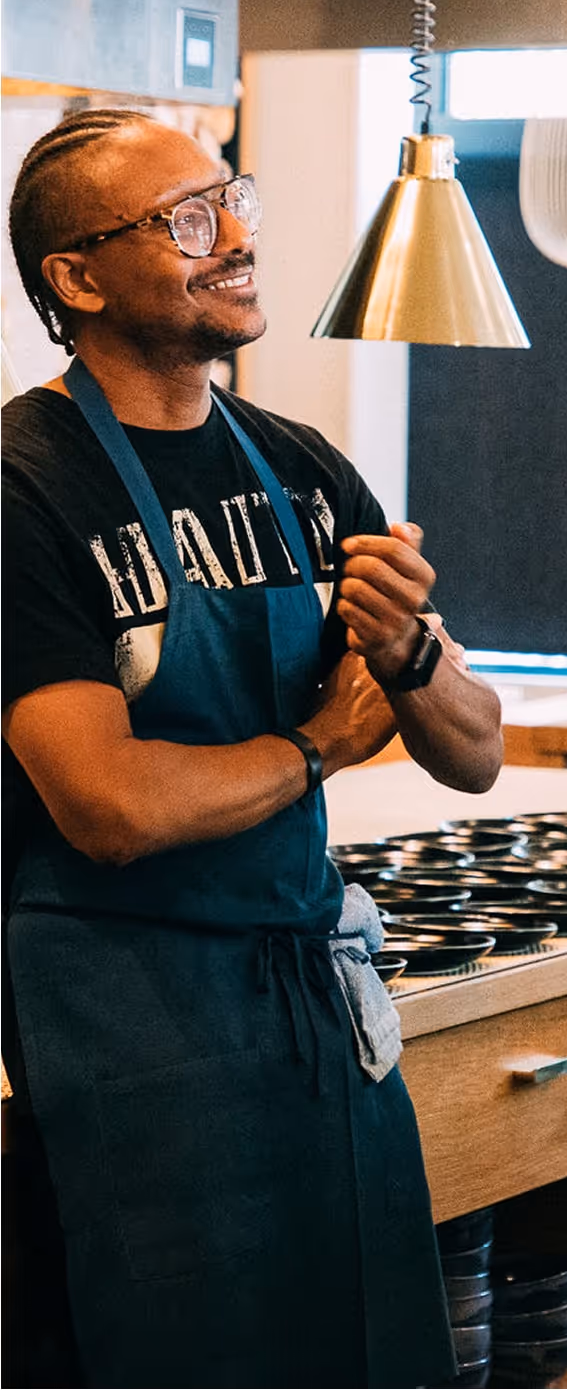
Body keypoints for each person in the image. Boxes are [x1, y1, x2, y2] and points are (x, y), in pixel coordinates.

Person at [1, 109, 505, 1389]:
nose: (234, 239)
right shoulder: (25, 486)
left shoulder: (298, 470)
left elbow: (475, 747)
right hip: (131, 1028)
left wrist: (406, 657)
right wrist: (319, 742)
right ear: (76, 278)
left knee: (375, 1345)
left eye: (233, 201)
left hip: (316, 1025)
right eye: (185, 220)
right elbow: (107, 800)